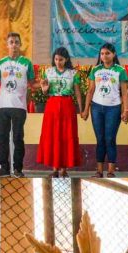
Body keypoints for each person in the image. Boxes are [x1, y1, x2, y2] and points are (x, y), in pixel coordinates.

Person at [0, 33, 36, 178]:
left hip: (19, 107)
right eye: (11, 42)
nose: (14, 45)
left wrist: (43, 85)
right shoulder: (1, 63)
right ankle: (4, 168)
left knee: (18, 138)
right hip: (3, 106)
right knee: (2, 137)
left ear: (20, 45)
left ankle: (18, 169)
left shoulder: (27, 63)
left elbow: (32, 84)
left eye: (16, 42)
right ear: (7, 45)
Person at [81, 43, 128, 177]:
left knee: (110, 138)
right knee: (100, 139)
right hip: (96, 108)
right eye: (102, 54)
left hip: (113, 109)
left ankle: (111, 171)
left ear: (113, 54)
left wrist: (125, 110)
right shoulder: (95, 70)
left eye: (107, 53)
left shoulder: (120, 70)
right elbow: (90, 91)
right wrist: (85, 109)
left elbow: (125, 93)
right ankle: (98, 171)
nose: (104, 56)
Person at [37, 47, 82, 178]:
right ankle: (55, 168)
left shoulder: (73, 73)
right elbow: (45, 91)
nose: (58, 62)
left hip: (67, 106)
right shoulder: (48, 72)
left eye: (61, 59)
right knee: (53, 136)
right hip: (52, 106)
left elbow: (78, 92)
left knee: (66, 136)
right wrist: (44, 89)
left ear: (66, 59)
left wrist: (83, 109)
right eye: (56, 59)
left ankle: (64, 169)